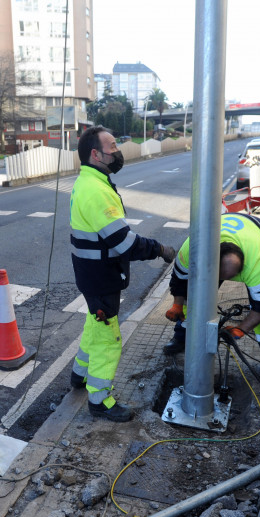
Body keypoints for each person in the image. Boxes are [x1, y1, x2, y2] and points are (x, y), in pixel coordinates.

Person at [70, 126, 177, 422]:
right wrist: (160, 249)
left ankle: (79, 374)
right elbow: (124, 243)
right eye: (113, 146)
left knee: (96, 324)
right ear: (96, 154)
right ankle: (99, 400)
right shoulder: (95, 190)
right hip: (100, 276)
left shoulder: (91, 181)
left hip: (92, 274)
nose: (118, 151)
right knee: (108, 338)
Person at [163, 212, 260, 377]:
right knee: (194, 295)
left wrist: (241, 329)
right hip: (225, 224)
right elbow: (180, 280)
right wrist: (177, 304)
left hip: (257, 228)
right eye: (221, 277)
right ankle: (182, 336)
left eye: (230, 277)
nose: (225, 281)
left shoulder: (257, 263)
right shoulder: (191, 251)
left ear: (242, 268)